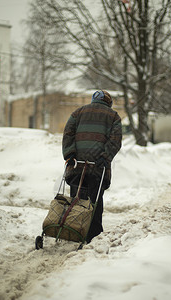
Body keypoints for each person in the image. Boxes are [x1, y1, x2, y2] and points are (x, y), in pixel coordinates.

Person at [62, 90, 122, 243]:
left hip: (77, 165)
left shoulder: (78, 112)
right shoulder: (113, 116)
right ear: (108, 102)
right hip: (98, 167)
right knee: (95, 200)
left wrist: (70, 155)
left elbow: (68, 133)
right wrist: (106, 157)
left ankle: (74, 229)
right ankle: (93, 235)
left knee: (77, 197)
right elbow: (115, 140)